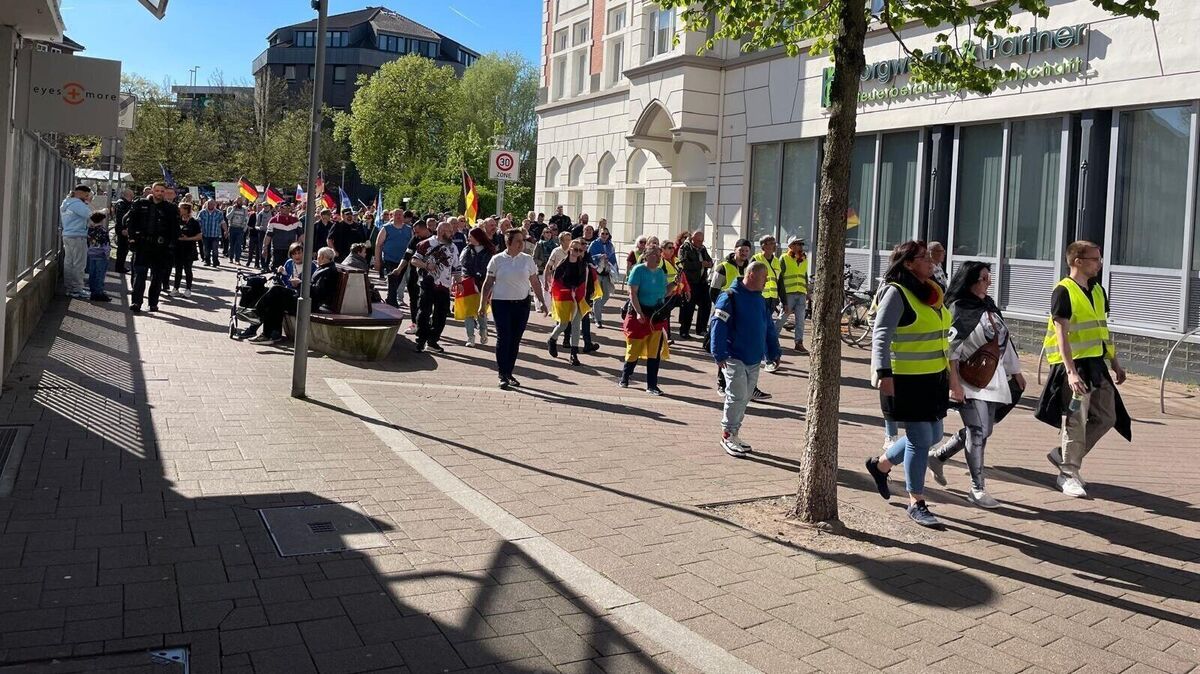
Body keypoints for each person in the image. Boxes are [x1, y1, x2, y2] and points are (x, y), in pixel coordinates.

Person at [864, 240, 957, 528]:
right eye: (923, 257)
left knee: (933, 435)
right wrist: (883, 374)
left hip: (933, 378)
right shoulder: (896, 292)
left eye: (930, 257)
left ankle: (880, 466)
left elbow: (942, 339)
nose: (931, 261)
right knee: (919, 439)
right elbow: (880, 334)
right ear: (907, 263)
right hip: (906, 379)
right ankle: (916, 501)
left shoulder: (930, 292)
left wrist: (953, 377)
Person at [926, 261, 1025, 508]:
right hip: (967, 380)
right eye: (983, 278)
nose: (988, 282)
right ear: (970, 280)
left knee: (983, 430)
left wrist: (1016, 372)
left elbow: (1005, 341)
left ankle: (938, 457)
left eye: (989, 278)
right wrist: (954, 383)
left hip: (992, 378)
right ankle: (977, 488)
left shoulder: (989, 306)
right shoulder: (958, 308)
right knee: (978, 431)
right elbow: (951, 348)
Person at [1035, 240, 1130, 498]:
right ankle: (1067, 473)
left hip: (1096, 364)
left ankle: (1062, 456)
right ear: (1077, 261)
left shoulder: (1098, 290)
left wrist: (1115, 361)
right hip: (1073, 365)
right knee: (1075, 420)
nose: (1099, 263)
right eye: (1094, 259)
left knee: (1108, 416)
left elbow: (1102, 330)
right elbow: (1061, 335)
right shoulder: (1063, 291)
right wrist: (1070, 372)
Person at [711, 261, 781, 457]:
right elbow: (718, 324)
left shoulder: (759, 299)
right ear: (751, 275)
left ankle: (734, 433)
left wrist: (774, 352)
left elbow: (767, 327)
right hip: (734, 357)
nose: (766, 281)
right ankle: (727, 434)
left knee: (744, 397)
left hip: (753, 358)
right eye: (764, 277)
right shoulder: (729, 296)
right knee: (737, 395)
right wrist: (718, 353)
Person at [481, 229, 548, 389]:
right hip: (501, 303)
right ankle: (502, 374)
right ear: (508, 242)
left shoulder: (527, 260)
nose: (521, 244)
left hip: (522, 304)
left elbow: (534, 282)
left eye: (522, 240)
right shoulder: (497, 260)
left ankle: (509, 372)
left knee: (515, 340)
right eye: (518, 241)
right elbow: (488, 282)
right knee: (504, 338)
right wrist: (482, 304)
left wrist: (542, 301)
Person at [711, 240, 768, 399]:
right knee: (727, 348)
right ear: (735, 250)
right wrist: (724, 308)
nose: (744, 253)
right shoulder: (723, 267)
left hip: (745, 312)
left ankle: (751, 388)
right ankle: (722, 384)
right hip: (728, 311)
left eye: (746, 250)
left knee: (746, 353)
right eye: (741, 250)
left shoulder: (751, 267)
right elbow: (713, 290)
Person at [247, 247, 338, 343]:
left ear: (322, 257)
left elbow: (318, 292)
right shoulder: (324, 268)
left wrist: (300, 283)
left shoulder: (328, 271)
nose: (316, 258)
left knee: (276, 292)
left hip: (310, 302)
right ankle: (272, 333)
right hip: (304, 296)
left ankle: (259, 317)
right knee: (275, 295)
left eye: (318, 256)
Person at [620, 244, 673, 395]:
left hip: (655, 315)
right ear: (646, 255)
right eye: (654, 254)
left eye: (659, 254)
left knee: (654, 352)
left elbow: (664, 293)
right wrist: (638, 312)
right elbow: (633, 293)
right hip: (639, 313)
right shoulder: (638, 270)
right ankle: (626, 375)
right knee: (634, 348)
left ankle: (652, 385)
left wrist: (675, 284)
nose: (657, 257)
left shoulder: (661, 273)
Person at [124, 182, 180, 313]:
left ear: (165, 193)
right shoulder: (140, 204)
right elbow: (130, 222)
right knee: (140, 275)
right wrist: (132, 239)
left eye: (162, 191)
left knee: (157, 277)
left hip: (161, 247)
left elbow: (175, 230)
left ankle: (153, 303)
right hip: (142, 245)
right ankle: (136, 302)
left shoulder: (170, 208)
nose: (159, 193)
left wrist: (171, 246)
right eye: (157, 190)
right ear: (152, 191)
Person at [411, 221, 462, 353]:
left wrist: (459, 282)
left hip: (444, 286)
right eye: (450, 231)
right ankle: (420, 341)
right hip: (427, 283)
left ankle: (433, 341)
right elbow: (414, 260)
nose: (452, 234)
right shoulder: (426, 244)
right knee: (424, 312)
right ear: (442, 231)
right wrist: (426, 266)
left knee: (441, 314)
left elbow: (456, 267)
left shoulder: (453, 247)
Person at [546, 239, 593, 365]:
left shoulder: (583, 265)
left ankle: (574, 354)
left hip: (577, 297)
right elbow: (556, 282)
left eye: (580, 250)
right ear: (570, 249)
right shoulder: (562, 264)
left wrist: (578, 293)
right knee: (563, 324)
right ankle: (552, 339)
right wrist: (567, 290)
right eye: (575, 249)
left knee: (577, 324)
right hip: (564, 297)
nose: (577, 252)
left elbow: (584, 282)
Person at [390, 218, 433, 334]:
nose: (416, 234)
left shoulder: (434, 240)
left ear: (425, 229)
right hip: (414, 273)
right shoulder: (414, 239)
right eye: (414, 232)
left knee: (427, 300)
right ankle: (414, 323)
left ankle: (426, 323)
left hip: (430, 275)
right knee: (413, 299)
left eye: (418, 232)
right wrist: (399, 269)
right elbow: (407, 255)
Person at [458, 227, 495, 347]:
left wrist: (482, 278)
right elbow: (463, 265)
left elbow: (491, 269)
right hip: (468, 283)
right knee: (468, 311)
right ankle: (470, 337)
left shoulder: (489, 251)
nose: (468, 238)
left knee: (481, 310)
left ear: (478, 237)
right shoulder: (467, 250)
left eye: (471, 236)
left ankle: (483, 331)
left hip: (483, 284)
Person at [751, 236, 783, 371]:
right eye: (770, 244)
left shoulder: (776, 261)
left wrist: (784, 301)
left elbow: (779, 282)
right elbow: (749, 279)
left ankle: (771, 358)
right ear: (763, 246)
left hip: (771, 300)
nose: (773, 246)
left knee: (766, 330)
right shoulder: (756, 259)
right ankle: (770, 359)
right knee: (764, 330)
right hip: (759, 299)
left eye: (774, 243)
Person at [677, 230, 713, 339]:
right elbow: (684, 264)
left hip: (702, 281)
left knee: (706, 304)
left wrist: (709, 263)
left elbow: (709, 260)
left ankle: (701, 329)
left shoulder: (702, 248)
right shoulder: (685, 248)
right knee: (688, 307)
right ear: (692, 239)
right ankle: (684, 331)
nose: (700, 243)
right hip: (690, 282)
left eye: (702, 241)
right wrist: (701, 264)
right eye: (698, 241)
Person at [375, 209, 414, 308]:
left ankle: (390, 299)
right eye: (396, 215)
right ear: (392, 216)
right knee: (392, 279)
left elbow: (413, 245)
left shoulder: (409, 229)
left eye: (400, 215)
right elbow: (378, 244)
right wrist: (377, 260)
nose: (399, 216)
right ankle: (392, 302)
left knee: (398, 280)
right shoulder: (386, 228)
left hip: (403, 260)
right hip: (389, 258)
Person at [60, 184, 93, 299]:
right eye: (87, 194)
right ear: (82, 193)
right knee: (79, 264)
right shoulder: (78, 204)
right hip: (78, 236)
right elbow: (92, 217)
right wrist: (104, 212)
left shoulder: (66, 202)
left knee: (69, 263)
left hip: (68, 235)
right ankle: (77, 289)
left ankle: (69, 288)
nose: (88, 196)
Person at [778, 237, 810, 354]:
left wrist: (807, 292)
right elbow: (780, 278)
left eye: (801, 244)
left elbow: (804, 275)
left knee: (800, 321)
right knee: (782, 318)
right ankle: (772, 340)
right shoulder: (784, 258)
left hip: (801, 293)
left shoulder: (804, 259)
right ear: (791, 245)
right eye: (798, 244)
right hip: (789, 293)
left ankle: (799, 343)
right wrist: (781, 295)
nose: (801, 246)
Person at [588, 227, 618, 328]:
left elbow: (613, 258)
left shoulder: (610, 245)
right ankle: (598, 320)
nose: (604, 235)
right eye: (602, 234)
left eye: (606, 234)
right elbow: (589, 256)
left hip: (606, 273)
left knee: (606, 295)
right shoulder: (594, 244)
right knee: (597, 296)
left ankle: (595, 310)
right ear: (599, 235)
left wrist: (615, 270)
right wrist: (599, 256)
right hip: (597, 272)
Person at [171, 202, 202, 298]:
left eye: (180, 208)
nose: (179, 210)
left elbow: (199, 236)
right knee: (178, 270)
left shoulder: (194, 222)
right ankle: (175, 288)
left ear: (186, 210)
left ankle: (188, 289)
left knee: (188, 269)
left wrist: (187, 238)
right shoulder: (177, 220)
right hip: (178, 249)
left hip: (189, 249)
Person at [263, 204, 304, 269]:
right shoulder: (273, 220)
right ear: (280, 209)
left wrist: (301, 246)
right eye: (285, 208)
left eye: (288, 208)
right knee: (277, 268)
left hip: (291, 250)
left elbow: (301, 235)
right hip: (277, 249)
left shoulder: (296, 220)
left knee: (290, 268)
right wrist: (264, 247)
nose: (287, 210)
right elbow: (268, 235)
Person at [85, 212, 112, 302]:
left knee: (92, 273)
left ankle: (93, 292)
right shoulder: (103, 231)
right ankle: (99, 292)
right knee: (100, 274)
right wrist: (107, 254)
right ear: (102, 220)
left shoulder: (90, 230)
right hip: (101, 255)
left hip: (91, 254)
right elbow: (106, 244)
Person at [112, 188, 135, 274]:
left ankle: (121, 266)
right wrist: (123, 229)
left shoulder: (127, 203)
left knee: (124, 249)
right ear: (128, 194)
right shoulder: (121, 203)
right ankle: (119, 267)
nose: (133, 195)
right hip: (122, 229)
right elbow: (120, 218)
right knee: (122, 249)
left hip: (125, 229)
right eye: (132, 194)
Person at [198, 199, 226, 267]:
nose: (210, 205)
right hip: (205, 234)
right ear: (207, 204)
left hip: (215, 235)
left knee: (215, 250)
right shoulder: (202, 212)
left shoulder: (219, 213)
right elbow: (198, 222)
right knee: (206, 250)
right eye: (209, 204)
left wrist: (226, 230)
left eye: (212, 204)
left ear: (215, 204)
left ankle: (215, 262)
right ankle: (207, 261)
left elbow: (223, 223)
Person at [225, 199, 250, 264]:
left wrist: (244, 229)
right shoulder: (230, 208)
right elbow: (228, 217)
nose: (240, 203)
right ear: (235, 202)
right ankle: (231, 258)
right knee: (231, 244)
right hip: (232, 228)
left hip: (240, 229)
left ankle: (237, 260)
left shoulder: (244, 209)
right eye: (238, 202)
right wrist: (233, 209)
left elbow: (246, 219)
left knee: (238, 245)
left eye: (241, 202)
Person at [244, 204, 265, 269]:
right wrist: (255, 227)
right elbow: (249, 226)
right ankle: (249, 261)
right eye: (258, 207)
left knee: (258, 251)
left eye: (260, 207)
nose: (259, 208)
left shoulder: (262, 216)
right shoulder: (253, 215)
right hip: (253, 235)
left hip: (260, 235)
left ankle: (257, 264)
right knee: (251, 250)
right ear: (255, 208)